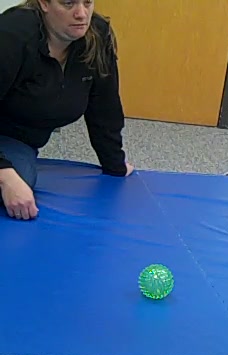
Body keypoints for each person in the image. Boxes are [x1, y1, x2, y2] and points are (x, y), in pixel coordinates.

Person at [0, 0, 133, 221]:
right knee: (11, 183)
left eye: (87, 2)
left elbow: (104, 108)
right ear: (44, 3)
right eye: (68, 3)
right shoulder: (11, 34)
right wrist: (4, 174)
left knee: (21, 179)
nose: (81, 14)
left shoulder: (97, 36)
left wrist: (114, 163)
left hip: (17, 140)